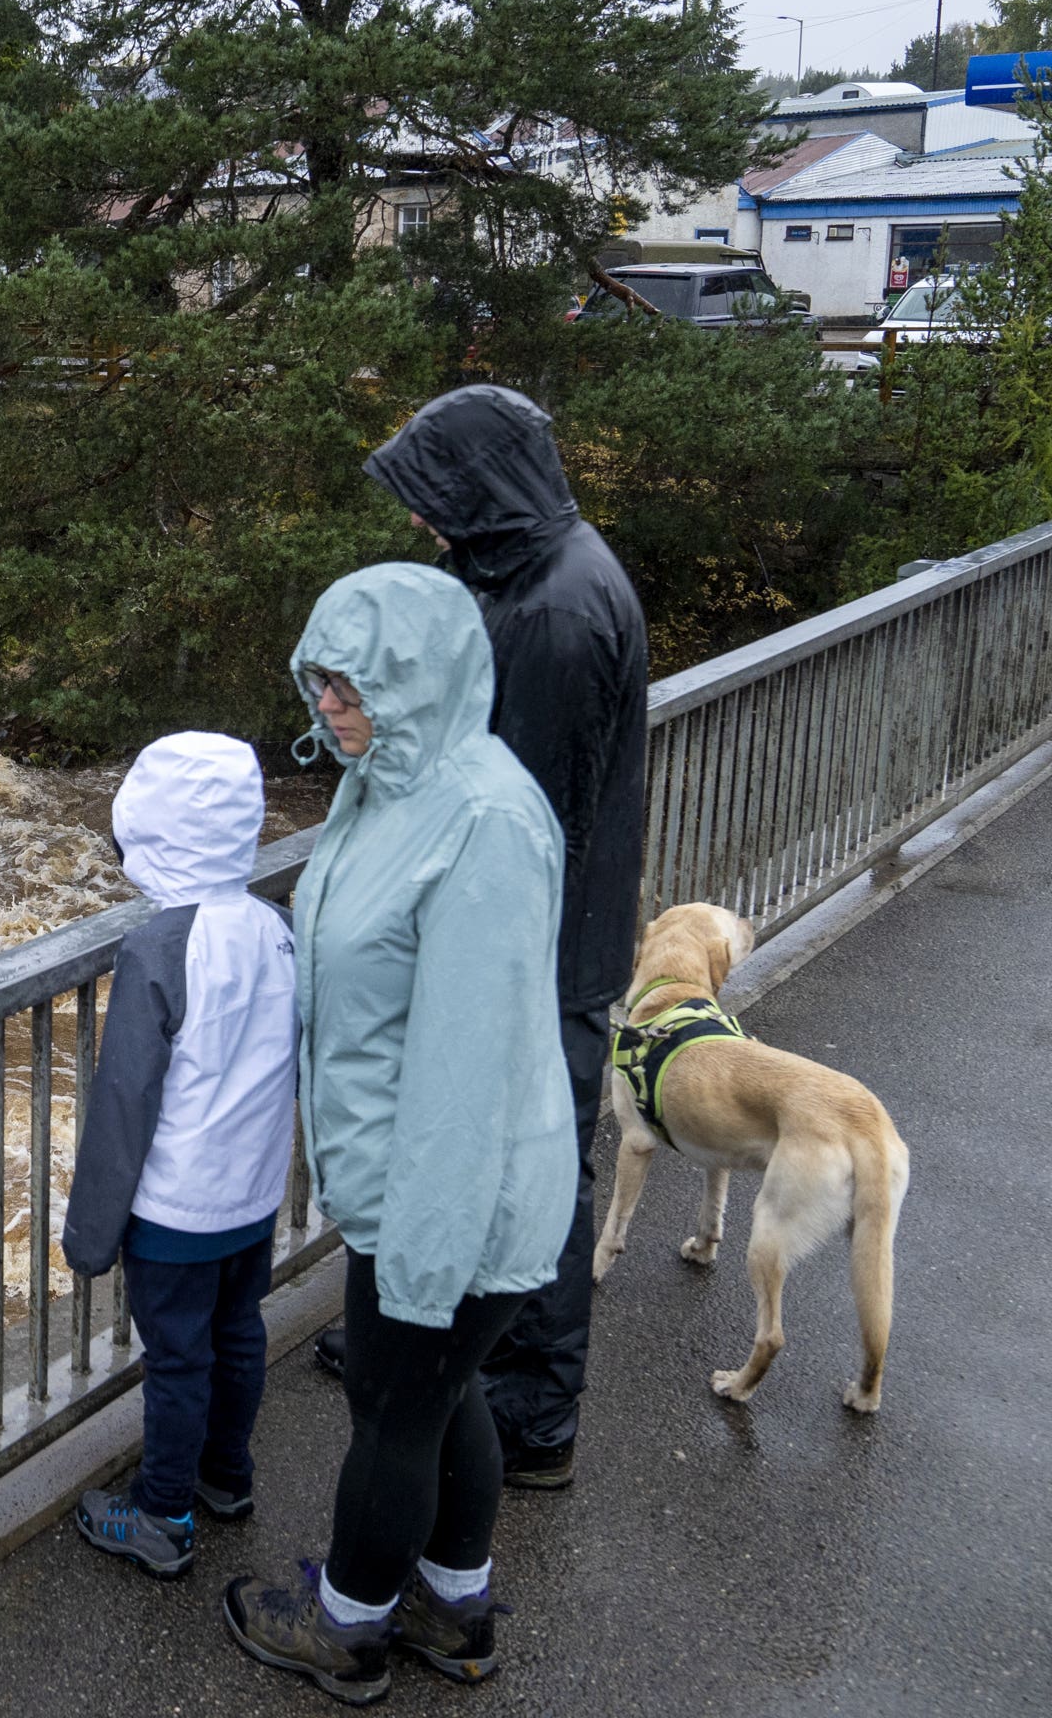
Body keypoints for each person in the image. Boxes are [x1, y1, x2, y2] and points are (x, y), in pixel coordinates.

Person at [224, 564, 576, 1703]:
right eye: (320, 684)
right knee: (442, 1393)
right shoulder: (390, 781)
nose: (329, 710)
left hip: (453, 1191)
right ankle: (454, 1604)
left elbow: (467, 1065)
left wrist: (422, 1255)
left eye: (350, 688)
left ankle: (347, 1625)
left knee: (393, 1405)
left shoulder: (482, 819)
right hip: (413, 1181)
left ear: (417, 680)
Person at [308, 383, 647, 1493]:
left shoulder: (554, 609)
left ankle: (528, 1406)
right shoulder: (522, 571)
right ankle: (438, 1352)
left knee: (529, 1157)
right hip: (546, 939)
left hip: (541, 955)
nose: (419, 521)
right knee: (484, 1145)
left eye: (432, 496)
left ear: (481, 490)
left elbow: (525, 822)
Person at [59, 731, 300, 1579]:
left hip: (175, 1210)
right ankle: (227, 1476)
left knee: (177, 1361)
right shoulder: (278, 928)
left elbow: (125, 1102)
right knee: (238, 1334)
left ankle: (162, 1515)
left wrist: (90, 1235)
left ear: (152, 829)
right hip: (254, 1195)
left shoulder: (157, 949)